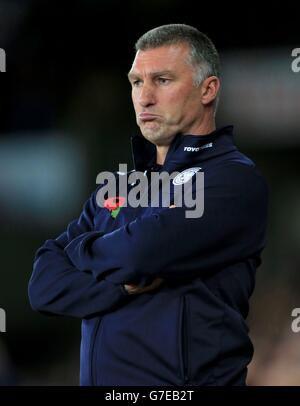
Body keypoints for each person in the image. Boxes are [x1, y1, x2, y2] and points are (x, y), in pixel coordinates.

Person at [28, 24, 268, 386]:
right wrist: (118, 287)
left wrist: (79, 252)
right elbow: (42, 286)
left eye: (162, 80)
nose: (145, 97)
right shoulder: (120, 186)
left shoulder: (232, 180)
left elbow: (140, 253)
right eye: (137, 82)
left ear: (208, 89)